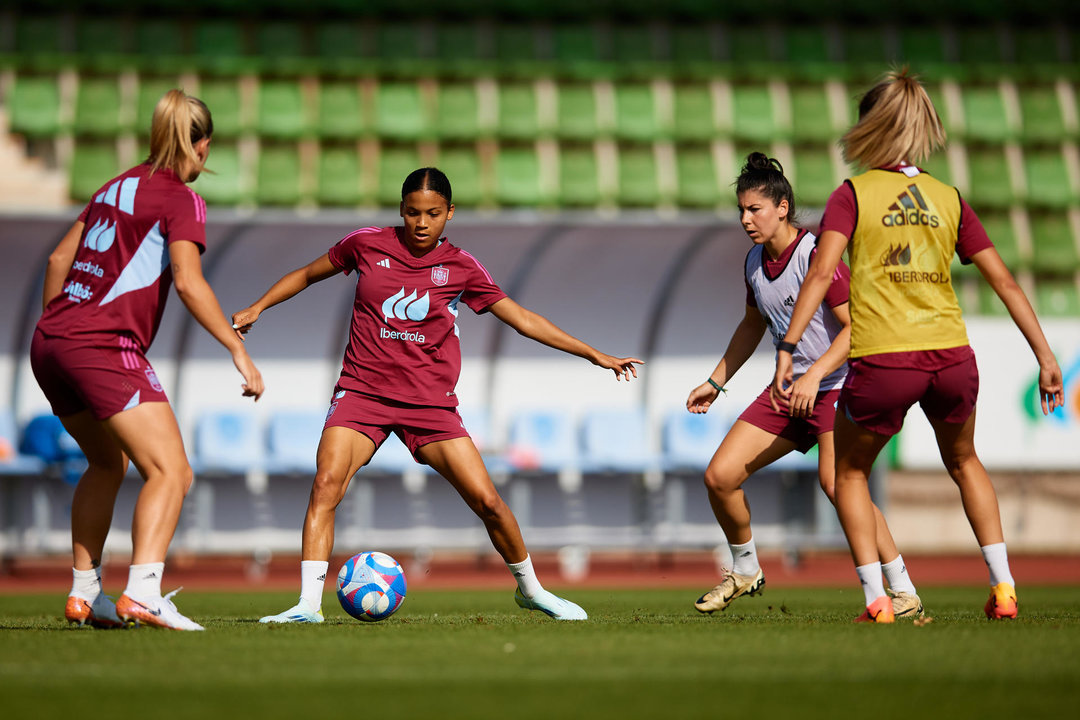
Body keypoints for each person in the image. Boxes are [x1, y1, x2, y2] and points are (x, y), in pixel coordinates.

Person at [234, 167, 642, 623]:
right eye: (412, 212)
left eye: (432, 213)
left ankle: (533, 590)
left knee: (488, 501)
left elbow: (522, 318)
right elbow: (308, 274)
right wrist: (258, 306)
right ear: (400, 211)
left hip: (430, 405)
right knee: (326, 483)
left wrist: (593, 354)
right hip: (361, 392)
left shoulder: (462, 267)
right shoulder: (366, 243)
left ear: (450, 212)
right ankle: (308, 605)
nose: (421, 223)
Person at [773, 69, 1064, 623]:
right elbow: (1005, 281)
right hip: (953, 355)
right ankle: (1004, 591)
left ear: (869, 129)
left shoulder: (852, 194)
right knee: (964, 460)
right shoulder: (946, 196)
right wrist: (1046, 359)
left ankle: (878, 600)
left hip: (888, 358)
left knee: (849, 475)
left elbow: (819, 275)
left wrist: (789, 346)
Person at [32, 89, 264, 631]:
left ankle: (85, 594)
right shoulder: (182, 198)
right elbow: (187, 280)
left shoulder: (113, 187)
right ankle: (143, 592)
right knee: (171, 471)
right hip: (101, 345)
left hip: (51, 340)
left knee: (107, 463)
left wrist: (62, 329)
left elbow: (58, 257)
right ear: (202, 147)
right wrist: (238, 349)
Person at [688, 153, 921, 618]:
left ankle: (902, 589)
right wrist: (717, 380)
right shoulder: (754, 260)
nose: (745, 219)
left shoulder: (817, 255)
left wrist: (815, 375)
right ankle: (746, 568)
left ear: (782, 206)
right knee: (720, 477)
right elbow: (752, 325)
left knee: (838, 485)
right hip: (789, 390)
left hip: (836, 385)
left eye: (754, 209)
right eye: (740, 210)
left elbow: (857, 329)